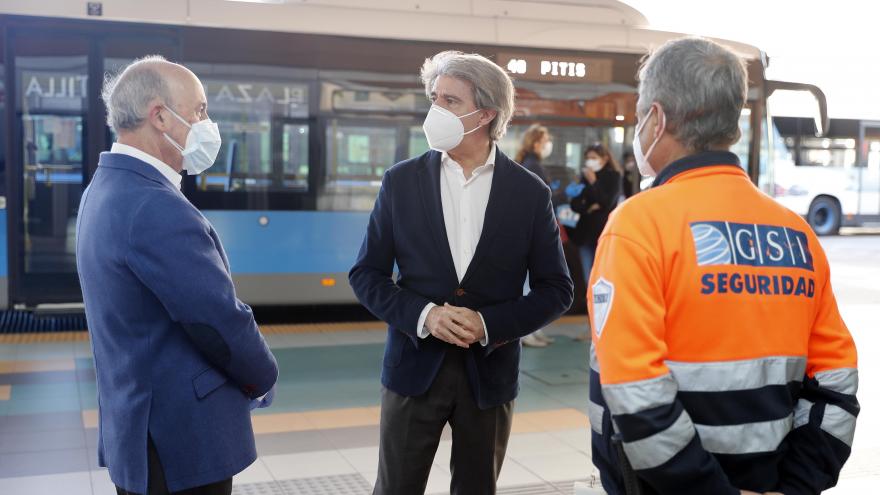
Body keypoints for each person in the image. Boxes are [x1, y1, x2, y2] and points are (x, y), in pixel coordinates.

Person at [587, 37, 858, 495]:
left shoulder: (638, 224)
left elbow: (635, 393)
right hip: (773, 479)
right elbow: (836, 380)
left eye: (639, 114)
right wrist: (796, 486)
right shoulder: (796, 232)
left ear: (657, 118)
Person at [349, 51, 573, 495]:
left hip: (488, 376)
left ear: (485, 113)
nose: (436, 110)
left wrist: (490, 324)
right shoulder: (401, 181)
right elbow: (366, 274)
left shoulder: (529, 193)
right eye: (434, 98)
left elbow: (557, 289)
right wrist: (426, 315)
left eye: (450, 100)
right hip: (414, 369)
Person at [76, 55, 278, 495]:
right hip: (178, 443)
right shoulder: (154, 205)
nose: (208, 123)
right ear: (160, 116)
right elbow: (216, 319)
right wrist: (263, 375)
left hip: (140, 431)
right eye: (200, 110)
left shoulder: (104, 188)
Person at [569, 142, 621, 340]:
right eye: (588, 157)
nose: (590, 162)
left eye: (594, 157)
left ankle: (603, 325)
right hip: (585, 235)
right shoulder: (584, 176)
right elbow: (576, 204)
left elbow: (607, 202)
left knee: (602, 281)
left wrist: (593, 184)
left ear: (605, 158)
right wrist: (590, 206)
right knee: (588, 280)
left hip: (603, 234)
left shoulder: (613, 177)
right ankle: (590, 326)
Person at [515, 124, 557, 347]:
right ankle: (526, 332)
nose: (548, 144)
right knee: (528, 286)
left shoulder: (531, 164)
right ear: (535, 142)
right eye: (544, 140)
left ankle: (534, 330)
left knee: (532, 283)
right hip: (529, 231)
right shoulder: (532, 166)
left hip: (526, 230)